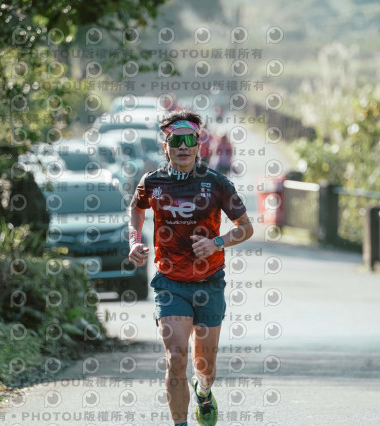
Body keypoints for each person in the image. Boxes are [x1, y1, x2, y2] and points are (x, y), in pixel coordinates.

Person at [128, 109, 254, 426]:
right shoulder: (152, 182)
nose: (182, 147)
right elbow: (136, 210)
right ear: (166, 146)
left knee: (204, 366)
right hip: (170, 283)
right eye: (175, 141)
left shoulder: (217, 184)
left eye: (189, 140)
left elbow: (246, 228)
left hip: (209, 282)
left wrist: (217, 243)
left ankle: (204, 391)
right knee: (175, 357)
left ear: (198, 145)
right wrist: (134, 241)